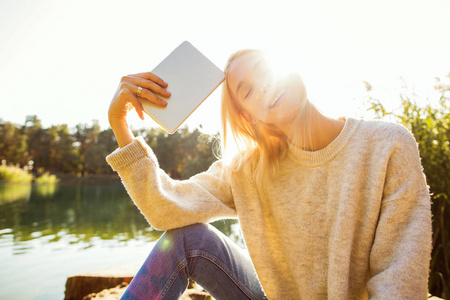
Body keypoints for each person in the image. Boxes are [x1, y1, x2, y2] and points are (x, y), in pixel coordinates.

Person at [106, 49, 432, 300]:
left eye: (265, 69)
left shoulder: (387, 144)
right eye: (246, 91)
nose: (264, 86)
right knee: (187, 239)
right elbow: (167, 207)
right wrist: (120, 125)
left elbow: (399, 274)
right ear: (249, 116)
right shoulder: (248, 170)